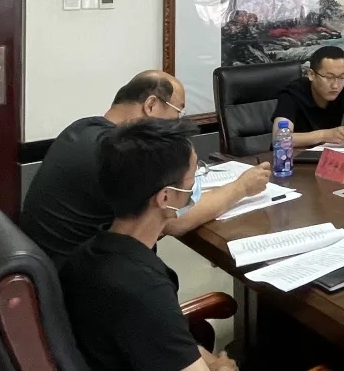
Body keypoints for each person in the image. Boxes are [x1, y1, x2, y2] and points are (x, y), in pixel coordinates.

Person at [21, 71, 269, 267]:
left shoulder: (84, 128)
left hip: (54, 269)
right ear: (151, 105)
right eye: (178, 113)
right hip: (85, 285)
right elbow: (171, 219)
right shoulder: (118, 154)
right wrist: (241, 187)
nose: (177, 124)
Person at [61, 118, 239, 371]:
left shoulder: (86, 255)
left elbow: (162, 338)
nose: (196, 185)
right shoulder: (143, 290)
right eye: (193, 178)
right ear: (165, 197)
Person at [272, 45, 344, 147]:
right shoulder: (292, 93)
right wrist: (324, 135)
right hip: (293, 155)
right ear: (311, 74)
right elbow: (280, 139)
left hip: (328, 152)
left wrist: (343, 132)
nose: (335, 85)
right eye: (329, 77)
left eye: (342, 76)